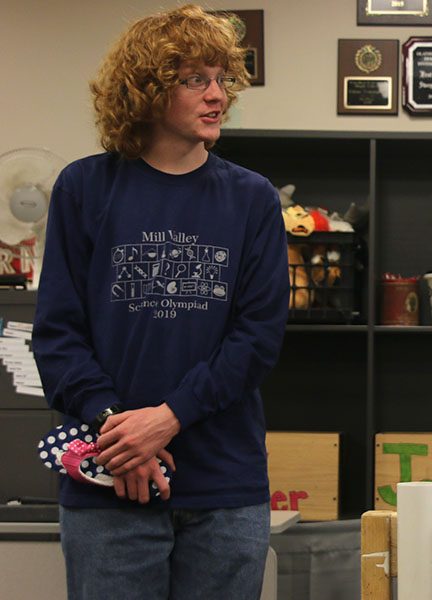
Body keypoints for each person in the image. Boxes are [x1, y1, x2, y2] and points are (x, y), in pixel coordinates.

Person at [32, 5, 288, 599]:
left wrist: (165, 420)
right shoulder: (84, 187)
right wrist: (119, 433)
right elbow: (58, 336)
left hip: (224, 490)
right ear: (146, 89)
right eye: (195, 78)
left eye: (223, 77)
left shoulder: (252, 199)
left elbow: (256, 340)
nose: (217, 94)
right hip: (108, 486)